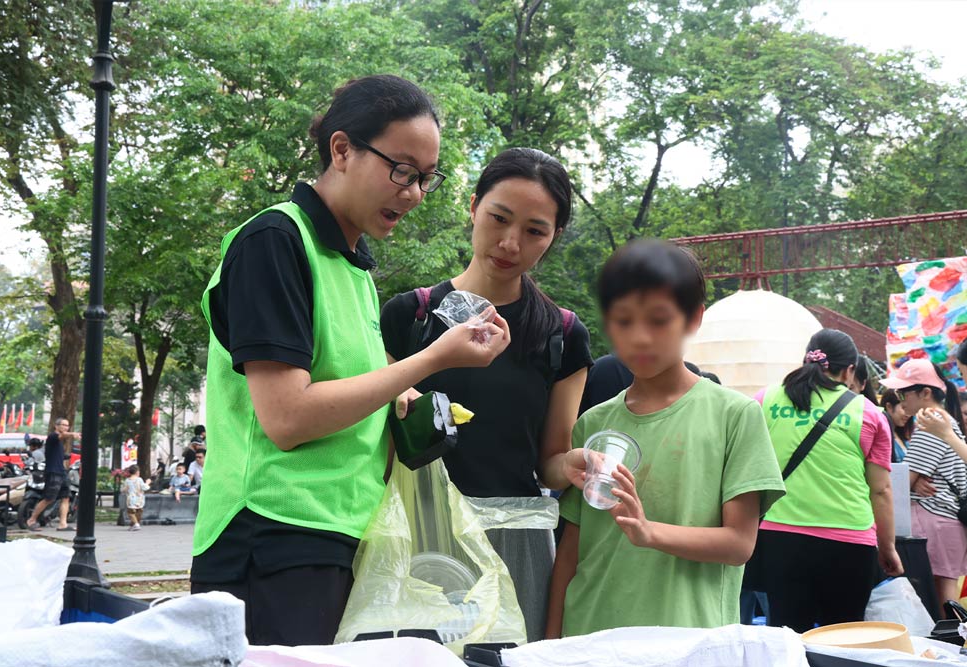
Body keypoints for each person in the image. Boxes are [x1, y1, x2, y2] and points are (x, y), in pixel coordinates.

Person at [190, 74, 511, 647]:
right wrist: (428, 361)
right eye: (402, 170)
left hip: (340, 534)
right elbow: (287, 418)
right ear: (341, 150)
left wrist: (401, 396)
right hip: (272, 534)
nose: (412, 192)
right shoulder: (275, 241)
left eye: (425, 179)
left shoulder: (355, 266)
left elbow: (349, 391)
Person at [380, 147, 593, 641]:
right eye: (499, 218)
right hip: (419, 537)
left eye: (535, 230)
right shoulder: (408, 317)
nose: (510, 242)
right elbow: (382, 447)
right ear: (473, 207)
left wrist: (578, 463)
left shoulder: (561, 335)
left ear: (554, 237)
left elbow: (550, 462)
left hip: (516, 542)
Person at [545, 240, 785, 638]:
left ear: (693, 318)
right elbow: (571, 549)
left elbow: (739, 542)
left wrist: (648, 531)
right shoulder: (593, 423)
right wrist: (551, 645)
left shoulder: (735, 415)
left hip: (687, 641)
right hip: (589, 636)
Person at [755, 329, 902, 632]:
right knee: (845, 639)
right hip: (849, 541)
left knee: (787, 637)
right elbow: (881, 490)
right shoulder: (869, 413)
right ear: (850, 370)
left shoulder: (764, 400)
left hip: (780, 538)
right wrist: (887, 547)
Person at [882, 358, 967, 614]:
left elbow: (903, 480)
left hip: (934, 519)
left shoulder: (931, 423)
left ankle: (950, 651)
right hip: (944, 520)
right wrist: (914, 480)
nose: (902, 399)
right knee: (945, 597)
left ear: (925, 393)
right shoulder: (942, 422)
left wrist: (911, 480)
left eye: (903, 393)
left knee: (940, 603)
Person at [25, 417, 80, 531]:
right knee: (49, 498)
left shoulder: (59, 442)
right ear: (56, 426)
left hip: (62, 472)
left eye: (67, 425)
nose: (66, 427)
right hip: (53, 472)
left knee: (65, 497)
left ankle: (62, 524)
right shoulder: (53, 437)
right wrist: (72, 434)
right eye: (63, 425)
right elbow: (62, 435)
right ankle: (31, 520)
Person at [881, 388, 913, 463]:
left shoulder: (901, 436)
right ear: (889, 407)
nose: (908, 414)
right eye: (903, 408)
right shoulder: (882, 436)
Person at [123, 464, 151, 531]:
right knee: (138, 512)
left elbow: (124, 489)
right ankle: (135, 524)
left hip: (131, 499)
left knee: (131, 513)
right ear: (137, 472)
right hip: (139, 499)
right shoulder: (139, 479)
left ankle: (135, 524)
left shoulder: (127, 480)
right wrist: (147, 483)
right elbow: (145, 488)